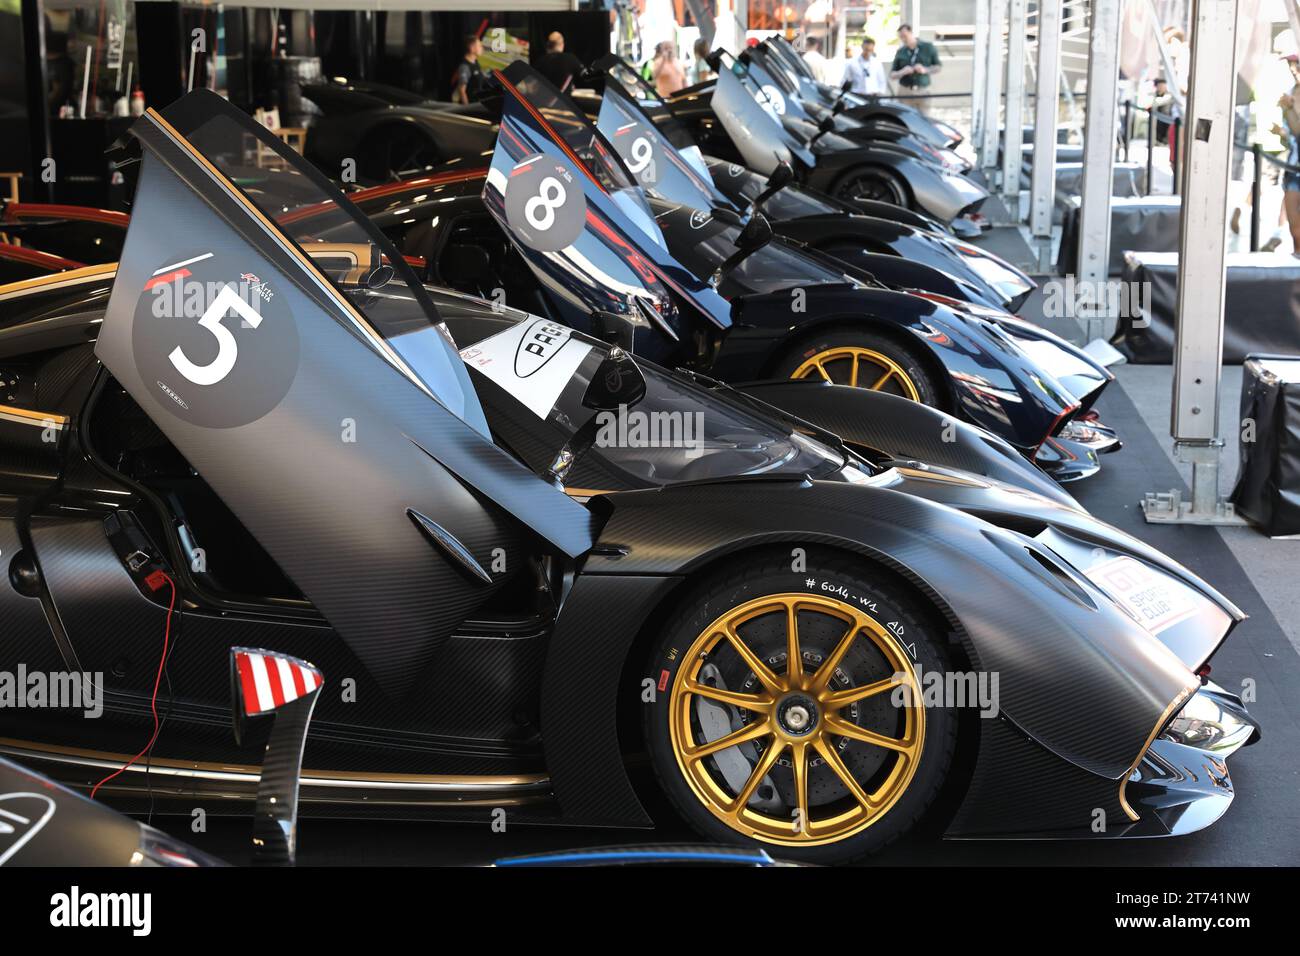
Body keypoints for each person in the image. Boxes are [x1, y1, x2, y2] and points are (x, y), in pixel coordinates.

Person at [889, 23, 941, 115]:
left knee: (924, 118)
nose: (903, 39)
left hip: (923, 90)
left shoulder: (928, 47)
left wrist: (925, 70)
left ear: (911, 33)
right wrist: (902, 72)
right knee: (906, 118)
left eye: (905, 36)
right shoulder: (901, 51)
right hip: (905, 90)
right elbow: (892, 75)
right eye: (901, 37)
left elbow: (938, 67)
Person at [451, 34, 485, 105]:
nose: (482, 48)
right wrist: (468, 109)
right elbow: (462, 91)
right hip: (472, 109)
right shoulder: (464, 66)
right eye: (479, 46)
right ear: (472, 48)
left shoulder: (475, 62)